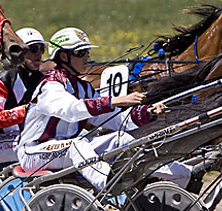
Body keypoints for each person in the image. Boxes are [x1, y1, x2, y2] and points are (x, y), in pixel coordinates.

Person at [16, 27, 188, 191]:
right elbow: (71, 110)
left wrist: (148, 112)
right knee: (78, 145)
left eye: (87, 51)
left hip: (64, 150)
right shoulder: (51, 84)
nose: (87, 57)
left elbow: (117, 120)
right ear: (63, 56)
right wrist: (114, 100)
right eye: (80, 52)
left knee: (123, 139)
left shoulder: (84, 88)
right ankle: (110, 184)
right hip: (33, 153)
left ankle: (182, 175)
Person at [0, 27, 48, 165]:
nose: (38, 54)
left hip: (24, 138)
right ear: (20, 52)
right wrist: (29, 110)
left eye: (41, 49)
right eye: (33, 49)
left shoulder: (42, 79)